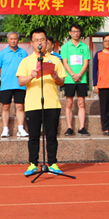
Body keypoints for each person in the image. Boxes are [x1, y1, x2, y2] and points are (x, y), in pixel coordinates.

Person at [17, 28, 67, 176]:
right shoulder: (26, 61)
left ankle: (52, 163)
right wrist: (31, 76)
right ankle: (33, 163)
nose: (40, 43)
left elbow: (62, 82)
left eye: (42, 40)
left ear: (47, 42)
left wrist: (56, 77)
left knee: (51, 135)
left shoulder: (55, 60)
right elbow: (21, 81)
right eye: (37, 40)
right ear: (32, 43)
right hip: (33, 104)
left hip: (51, 102)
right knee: (33, 136)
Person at [0, 32, 29, 138]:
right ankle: (5, 129)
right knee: (5, 106)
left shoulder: (23, 52)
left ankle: (20, 129)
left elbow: (27, 67)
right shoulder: (2, 53)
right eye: (11, 39)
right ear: (8, 40)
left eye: (15, 39)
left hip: (20, 84)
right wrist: (4, 76)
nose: (13, 41)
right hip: (6, 85)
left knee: (20, 106)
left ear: (18, 40)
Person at [60, 23, 91, 136]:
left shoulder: (85, 47)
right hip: (69, 79)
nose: (76, 33)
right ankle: (69, 127)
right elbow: (65, 62)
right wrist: (73, 75)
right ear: (70, 33)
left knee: (81, 103)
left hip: (82, 79)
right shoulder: (65, 47)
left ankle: (82, 127)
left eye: (78, 31)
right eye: (74, 31)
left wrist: (79, 74)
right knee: (69, 103)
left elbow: (86, 63)